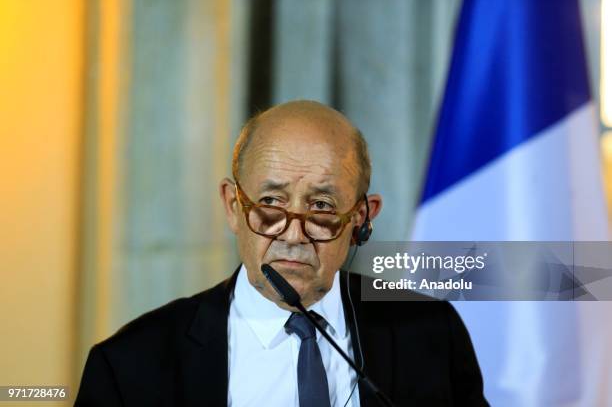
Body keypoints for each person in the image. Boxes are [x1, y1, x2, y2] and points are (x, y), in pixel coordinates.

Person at [75, 100, 488, 406]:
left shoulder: (431, 333)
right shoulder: (130, 365)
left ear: (361, 217)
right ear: (234, 206)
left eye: (322, 206)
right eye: (271, 202)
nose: (293, 232)